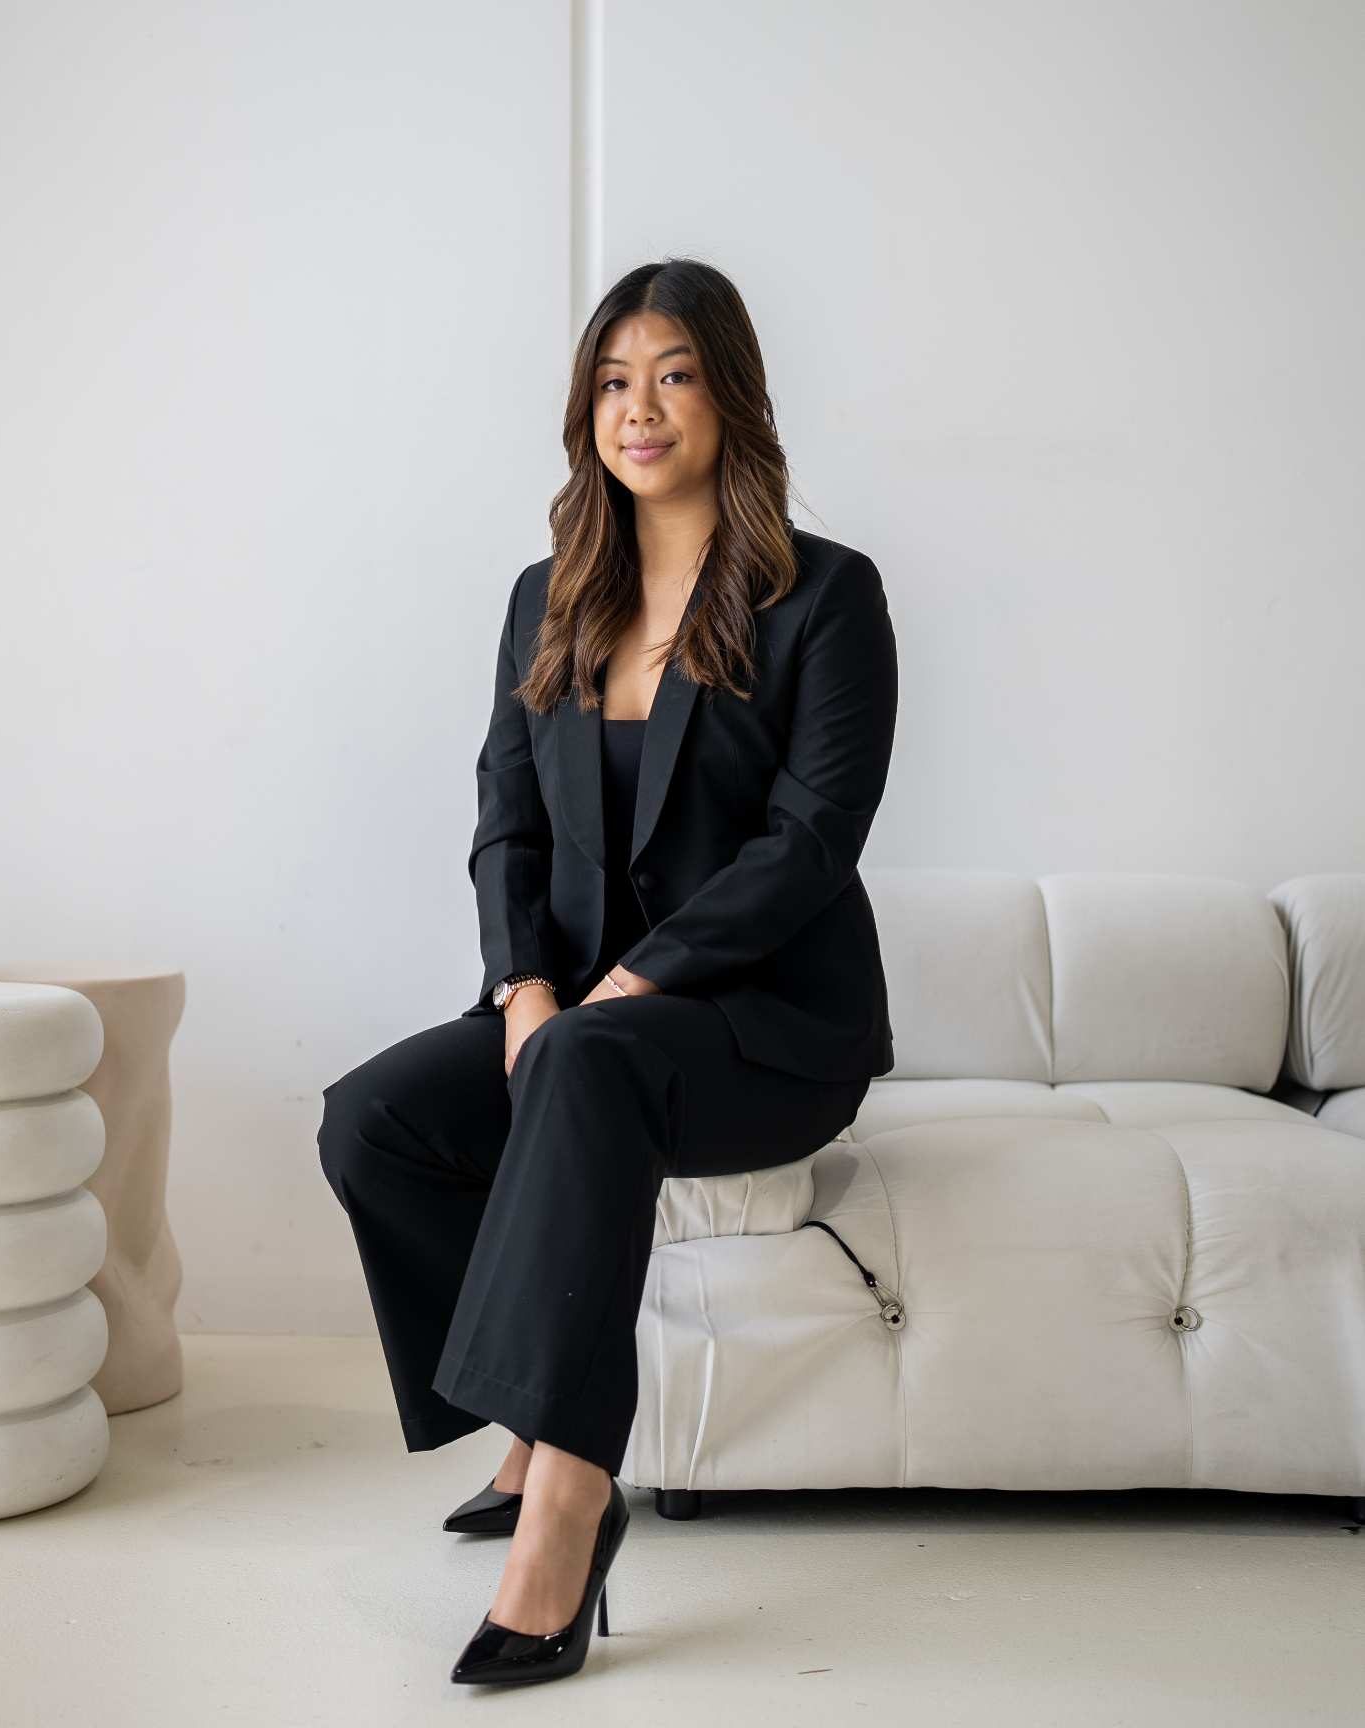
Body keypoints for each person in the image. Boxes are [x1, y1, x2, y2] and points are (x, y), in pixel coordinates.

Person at [318, 258, 898, 1686]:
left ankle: (569, 1509)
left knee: (584, 1059)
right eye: (614, 379)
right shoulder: (548, 597)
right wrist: (524, 989)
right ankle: (527, 1419)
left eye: (676, 374)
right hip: (575, 1022)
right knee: (372, 1122)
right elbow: (504, 818)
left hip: (763, 1034)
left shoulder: (823, 597)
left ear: (732, 396)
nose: (640, 408)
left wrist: (634, 984)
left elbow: (812, 838)